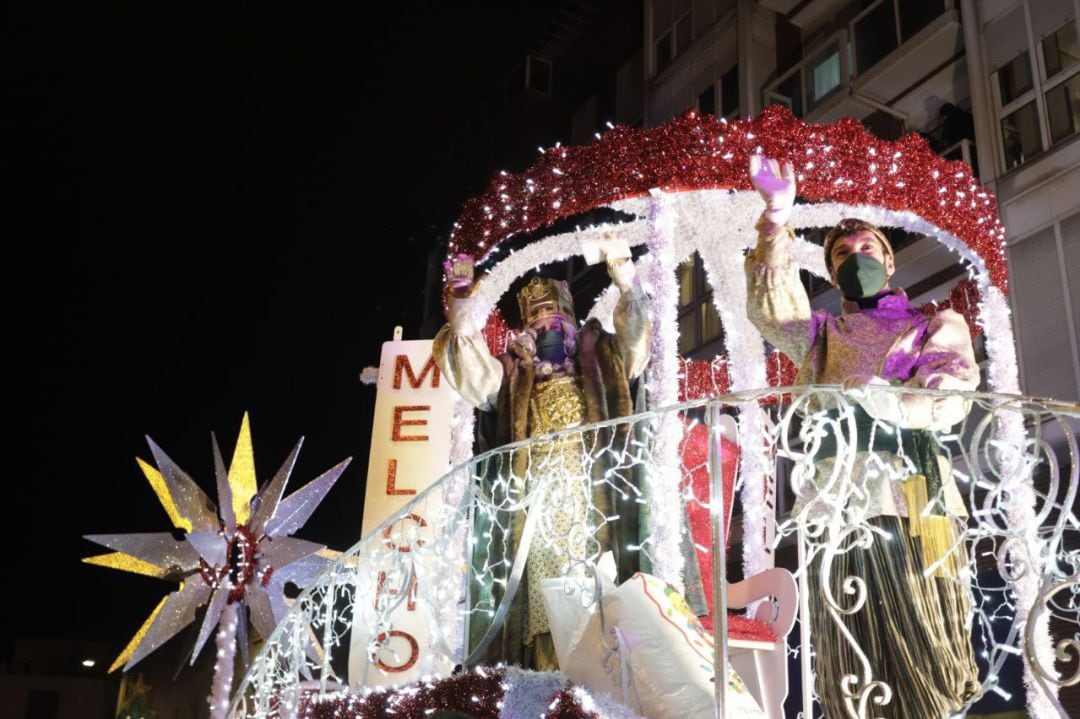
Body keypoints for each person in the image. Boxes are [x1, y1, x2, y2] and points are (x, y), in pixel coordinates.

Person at [744, 155, 981, 717]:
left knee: (932, 632)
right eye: (842, 256)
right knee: (852, 647)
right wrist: (776, 218)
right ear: (831, 275)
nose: (855, 259)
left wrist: (890, 402)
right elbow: (770, 308)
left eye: (866, 249)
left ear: (890, 260)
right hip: (838, 502)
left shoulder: (934, 325)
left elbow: (950, 396)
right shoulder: (821, 336)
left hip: (919, 494)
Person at [433, 250, 650, 670]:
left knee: (602, 605)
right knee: (544, 613)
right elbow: (474, 374)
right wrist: (461, 307)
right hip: (537, 518)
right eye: (539, 322)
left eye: (557, 322)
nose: (549, 328)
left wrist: (628, 283)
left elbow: (637, 345)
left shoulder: (602, 362)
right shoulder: (515, 374)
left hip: (598, 510)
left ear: (571, 326)